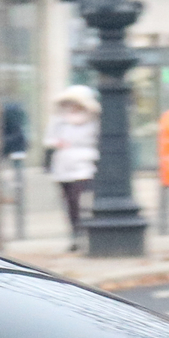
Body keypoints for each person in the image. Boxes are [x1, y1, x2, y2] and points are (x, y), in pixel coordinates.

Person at [43, 85, 100, 252]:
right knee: (69, 202)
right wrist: (56, 144)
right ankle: (75, 233)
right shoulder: (58, 120)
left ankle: (86, 232)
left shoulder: (94, 120)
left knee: (80, 199)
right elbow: (49, 139)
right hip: (63, 165)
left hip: (85, 163)